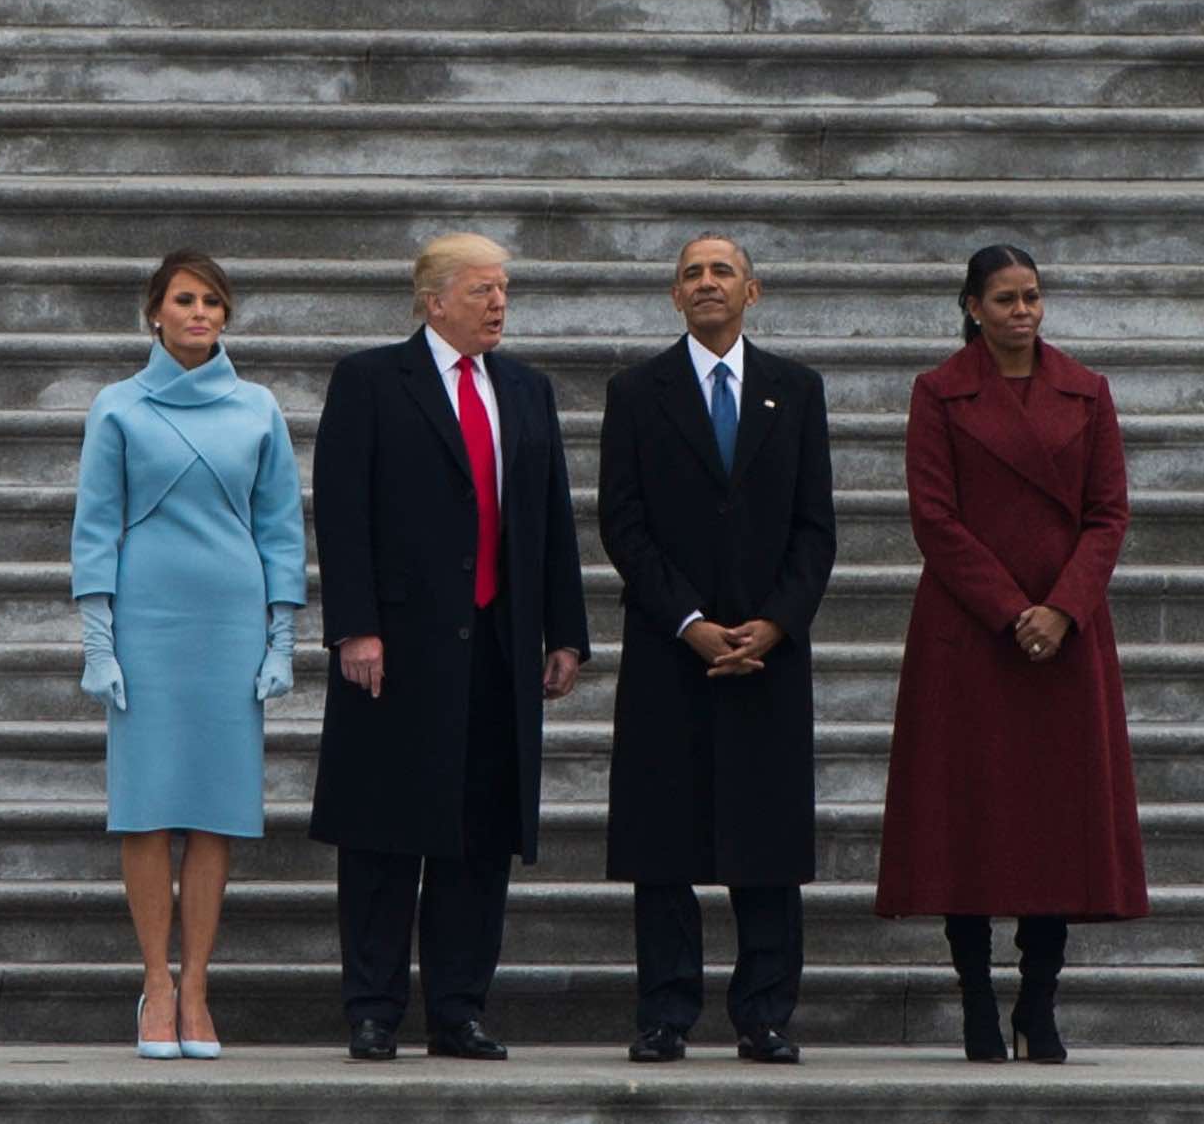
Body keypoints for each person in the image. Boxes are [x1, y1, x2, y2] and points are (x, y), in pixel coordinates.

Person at [309, 232, 589, 1061]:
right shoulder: (369, 380)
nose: (498, 304)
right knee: (384, 833)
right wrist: (355, 626)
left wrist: (564, 630)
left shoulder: (527, 390)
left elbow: (551, 516)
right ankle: (373, 1007)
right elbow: (341, 508)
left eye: (503, 290)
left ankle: (459, 1008)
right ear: (433, 301)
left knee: (480, 835)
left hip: (497, 644)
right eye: (480, 291)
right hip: (395, 648)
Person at [875, 244, 1148, 1064]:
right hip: (970, 636)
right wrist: (1009, 610)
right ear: (972, 308)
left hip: (1065, 637)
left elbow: (1109, 516)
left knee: (1054, 824)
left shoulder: (1087, 391)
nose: (1022, 311)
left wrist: (1061, 610)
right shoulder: (939, 392)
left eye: (1031, 296)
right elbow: (935, 518)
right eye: (1004, 299)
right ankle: (977, 1002)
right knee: (969, 821)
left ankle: (1039, 998)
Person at [598, 234, 836, 1065]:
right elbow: (621, 525)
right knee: (663, 840)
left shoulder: (796, 392)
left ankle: (764, 1013)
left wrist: (775, 622)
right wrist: (690, 623)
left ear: (752, 291)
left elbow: (815, 528)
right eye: (692, 274)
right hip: (672, 651)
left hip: (769, 654)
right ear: (674, 296)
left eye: (721, 272)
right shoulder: (635, 392)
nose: (707, 284)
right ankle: (665, 1011)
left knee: (766, 841)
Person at [70, 249, 306, 1060]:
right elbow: (96, 525)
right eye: (184, 299)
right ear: (155, 313)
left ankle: (197, 984)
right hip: (148, 621)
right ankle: (156, 986)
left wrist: (284, 635)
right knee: (147, 807)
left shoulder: (258, 408)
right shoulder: (118, 408)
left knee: (215, 811)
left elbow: (280, 526)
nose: (199, 312)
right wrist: (98, 641)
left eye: (213, 300)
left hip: (230, 623)